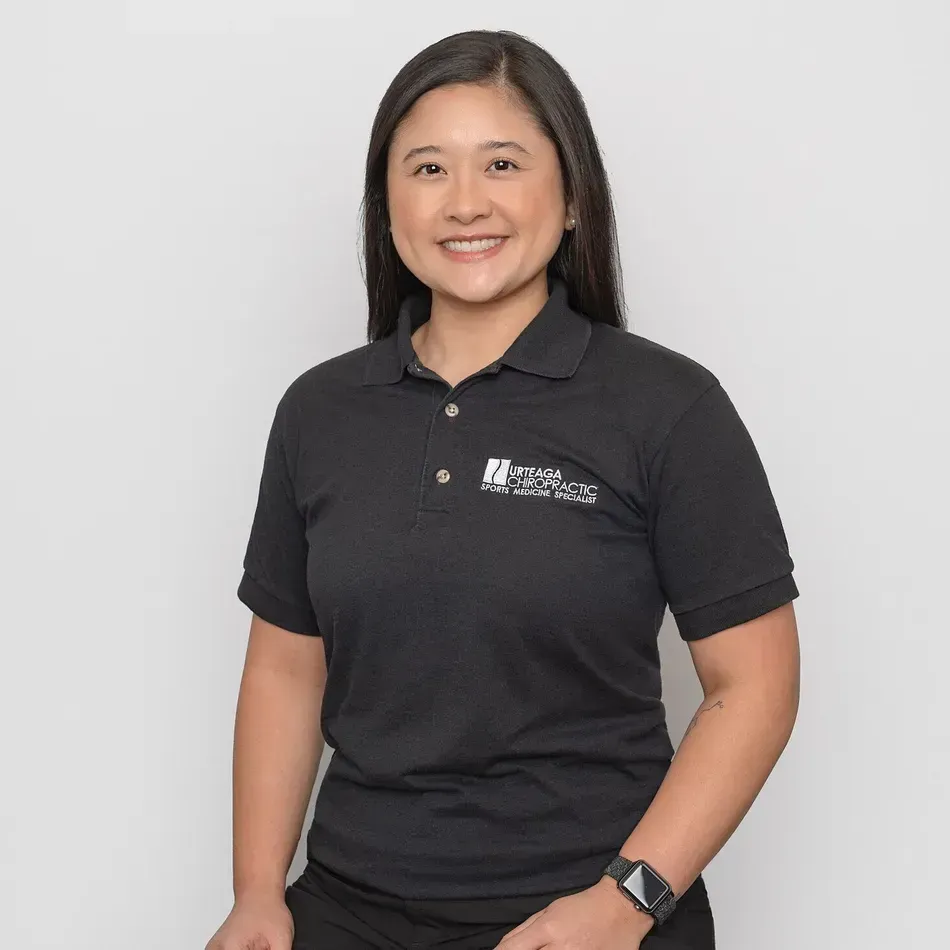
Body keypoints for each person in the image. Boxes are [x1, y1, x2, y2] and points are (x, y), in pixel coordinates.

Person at [206, 28, 800, 950]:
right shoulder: (319, 412)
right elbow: (285, 667)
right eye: (429, 168)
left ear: (569, 198)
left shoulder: (667, 407)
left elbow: (753, 684)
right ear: (387, 202)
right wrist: (257, 895)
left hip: (589, 916)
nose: (465, 202)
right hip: (349, 909)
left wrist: (625, 902)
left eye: (504, 163)